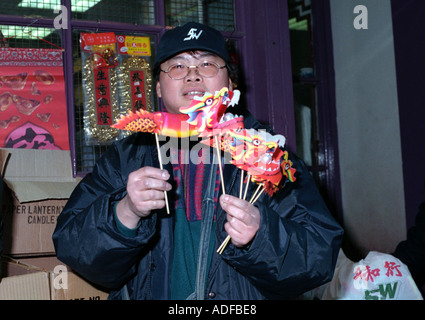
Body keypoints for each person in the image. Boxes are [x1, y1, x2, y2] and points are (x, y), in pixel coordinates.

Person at [53, 22, 343, 300]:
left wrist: (261, 236)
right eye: (177, 66)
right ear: (156, 87)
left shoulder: (268, 155)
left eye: (207, 64)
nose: (192, 75)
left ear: (230, 82)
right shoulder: (125, 158)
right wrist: (125, 212)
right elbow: (72, 247)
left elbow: (319, 258)